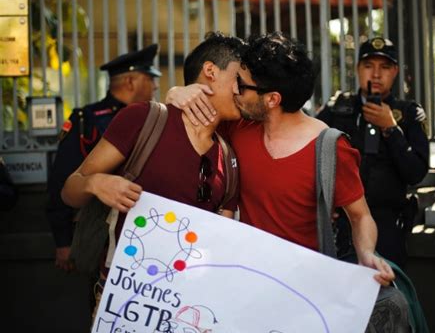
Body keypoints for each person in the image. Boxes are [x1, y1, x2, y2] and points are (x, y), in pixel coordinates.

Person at [167, 32, 395, 286]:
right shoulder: (239, 126)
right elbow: (188, 125)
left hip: (303, 289)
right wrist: (176, 93)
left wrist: (366, 254)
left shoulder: (330, 148)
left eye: (241, 84)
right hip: (246, 282)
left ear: (272, 99)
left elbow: (360, 216)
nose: (234, 89)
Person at [61, 32, 244, 285]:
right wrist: (95, 183)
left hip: (188, 300)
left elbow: (221, 240)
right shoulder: (143, 119)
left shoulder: (228, 154)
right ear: (210, 71)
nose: (242, 89)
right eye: (238, 79)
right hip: (123, 293)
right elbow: (70, 190)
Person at [46, 44, 161, 272]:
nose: (156, 85)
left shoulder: (154, 118)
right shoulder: (86, 120)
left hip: (145, 230)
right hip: (99, 231)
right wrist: (64, 241)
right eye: (150, 78)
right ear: (130, 82)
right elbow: (63, 179)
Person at [316, 37, 429, 267]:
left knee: (385, 292)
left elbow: (416, 172)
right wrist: (323, 203)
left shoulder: (408, 113)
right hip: (342, 223)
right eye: (369, 66)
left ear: (395, 71)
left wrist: (390, 128)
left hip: (388, 223)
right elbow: (309, 155)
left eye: (384, 67)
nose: (376, 75)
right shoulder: (338, 108)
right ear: (358, 69)